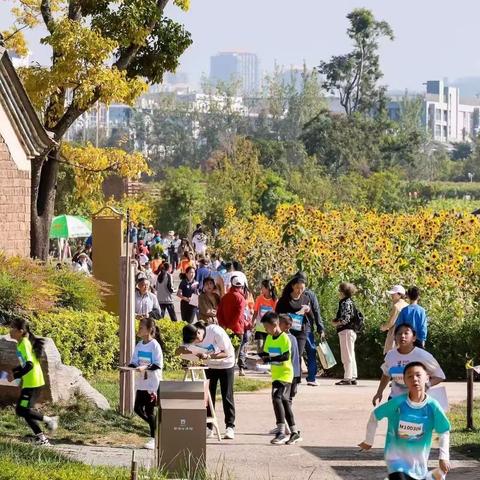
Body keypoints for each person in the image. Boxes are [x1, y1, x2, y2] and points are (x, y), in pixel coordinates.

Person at [359, 362, 451, 480]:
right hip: (395, 460)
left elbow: (444, 431)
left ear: (427, 377)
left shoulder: (433, 406)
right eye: (409, 376)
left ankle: (434, 476)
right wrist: (369, 441)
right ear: (404, 381)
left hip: (419, 464)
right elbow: (375, 415)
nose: (414, 379)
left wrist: (444, 457)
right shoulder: (397, 403)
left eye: (418, 375)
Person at [178, 322, 236, 440]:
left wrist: (209, 356)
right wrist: (185, 356)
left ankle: (230, 427)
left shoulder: (215, 332)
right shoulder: (191, 335)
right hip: (210, 366)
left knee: (227, 395)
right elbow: (181, 350)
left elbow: (226, 352)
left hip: (226, 364)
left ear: (199, 332)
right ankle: (209, 427)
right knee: (208, 396)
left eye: (196, 340)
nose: (196, 342)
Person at [9, 318, 58, 446]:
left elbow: (29, 365)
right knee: (24, 411)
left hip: (33, 383)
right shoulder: (21, 343)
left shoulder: (24, 343)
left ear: (20, 331)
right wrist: (15, 371)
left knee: (21, 410)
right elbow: (26, 364)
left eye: (13, 328)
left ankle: (49, 420)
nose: (10, 330)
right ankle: (42, 440)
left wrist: (18, 374)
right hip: (30, 382)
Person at [372, 324, 445, 406]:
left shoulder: (423, 355)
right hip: (395, 400)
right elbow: (386, 374)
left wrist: (426, 385)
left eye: (406, 333)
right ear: (395, 337)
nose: (402, 336)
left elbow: (440, 376)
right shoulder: (390, 355)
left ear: (414, 338)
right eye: (399, 334)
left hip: (416, 402)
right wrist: (379, 392)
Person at [258, 311, 301, 445]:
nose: (265, 330)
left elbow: (285, 356)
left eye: (266, 327)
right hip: (275, 375)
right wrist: (260, 356)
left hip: (286, 375)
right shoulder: (269, 338)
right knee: (284, 402)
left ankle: (281, 432)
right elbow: (266, 352)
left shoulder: (284, 338)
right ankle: (294, 432)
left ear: (275, 324)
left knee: (277, 398)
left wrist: (269, 359)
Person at [128, 317, 163, 450]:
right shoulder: (139, 344)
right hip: (141, 382)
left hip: (152, 383)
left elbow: (157, 364)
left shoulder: (154, 345)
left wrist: (145, 368)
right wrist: (129, 367)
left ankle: (154, 438)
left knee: (149, 411)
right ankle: (157, 428)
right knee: (137, 408)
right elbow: (134, 361)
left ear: (149, 330)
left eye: (141, 327)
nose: (139, 329)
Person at [275, 276, 313, 376]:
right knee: (288, 353)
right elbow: (277, 314)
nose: (300, 291)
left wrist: (308, 310)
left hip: (301, 330)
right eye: (297, 288)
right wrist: (290, 316)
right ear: (292, 286)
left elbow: (311, 315)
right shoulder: (285, 299)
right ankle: (287, 375)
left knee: (298, 354)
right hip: (288, 331)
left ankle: (296, 378)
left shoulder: (306, 298)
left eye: (302, 288)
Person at [293, 271, 325, 386]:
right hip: (307, 328)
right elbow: (316, 312)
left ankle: (296, 377)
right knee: (311, 351)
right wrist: (320, 328)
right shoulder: (310, 294)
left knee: (296, 352)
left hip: (294, 327)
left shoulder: (291, 294)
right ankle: (311, 378)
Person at [217, 276, 247, 374]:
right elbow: (238, 315)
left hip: (226, 329)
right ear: (241, 286)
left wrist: (224, 326)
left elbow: (219, 313)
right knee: (235, 353)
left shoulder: (225, 297)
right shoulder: (241, 298)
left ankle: (225, 370)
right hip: (237, 329)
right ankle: (230, 372)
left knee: (227, 351)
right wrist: (231, 325)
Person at [333, 282, 359, 386]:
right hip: (351, 331)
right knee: (351, 354)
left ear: (343, 292)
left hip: (346, 331)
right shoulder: (350, 301)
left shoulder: (345, 302)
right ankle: (352, 376)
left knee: (346, 355)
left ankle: (347, 377)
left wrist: (335, 323)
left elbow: (345, 319)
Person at [381, 285, 409, 354]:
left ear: (400, 295)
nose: (391, 295)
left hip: (395, 334)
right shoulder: (407, 305)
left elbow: (391, 322)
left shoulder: (396, 306)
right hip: (405, 334)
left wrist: (383, 328)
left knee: (392, 355)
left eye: (394, 293)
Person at [253, 279, 277, 354]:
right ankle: (261, 362)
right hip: (260, 327)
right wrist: (252, 321)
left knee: (267, 347)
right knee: (260, 347)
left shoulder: (275, 300)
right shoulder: (259, 298)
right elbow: (256, 311)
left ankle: (266, 363)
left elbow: (276, 315)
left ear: (267, 288)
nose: (261, 289)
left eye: (262, 287)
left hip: (270, 328)